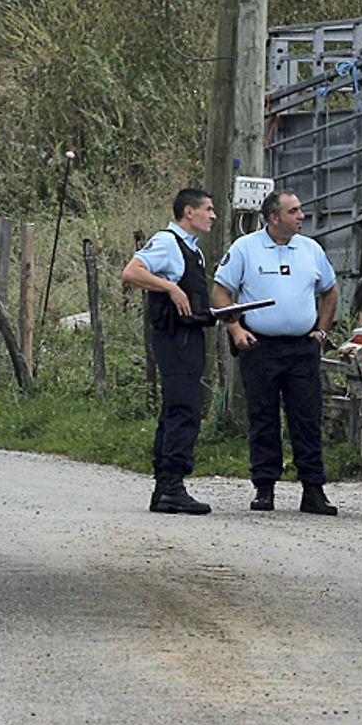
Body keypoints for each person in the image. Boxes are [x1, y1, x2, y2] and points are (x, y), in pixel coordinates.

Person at [211, 190, 340, 515]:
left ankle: (313, 489)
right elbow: (221, 291)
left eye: (300, 210)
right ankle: (264, 487)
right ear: (274, 217)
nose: (301, 216)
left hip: (301, 348)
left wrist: (321, 332)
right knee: (263, 417)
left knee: (307, 419)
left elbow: (330, 291)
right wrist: (236, 329)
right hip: (260, 346)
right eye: (294, 211)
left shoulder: (311, 249)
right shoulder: (245, 248)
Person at [120, 188, 217, 515]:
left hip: (188, 336)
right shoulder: (167, 242)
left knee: (177, 409)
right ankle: (172, 485)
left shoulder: (192, 249)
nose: (213, 216)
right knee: (184, 410)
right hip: (175, 339)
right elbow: (131, 272)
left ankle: (165, 488)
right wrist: (170, 287)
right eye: (208, 209)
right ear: (188, 212)